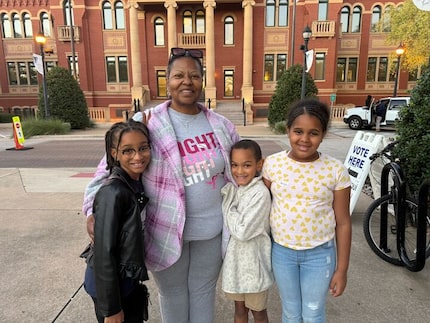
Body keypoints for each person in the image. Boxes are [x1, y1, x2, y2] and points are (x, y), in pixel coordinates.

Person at [82, 47, 240, 323]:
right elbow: (108, 168)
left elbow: (240, 170)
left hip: (212, 230)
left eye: (194, 75)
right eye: (178, 75)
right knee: (173, 293)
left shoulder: (222, 125)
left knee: (203, 291)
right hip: (164, 230)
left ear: (203, 80)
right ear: (167, 80)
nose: (186, 81)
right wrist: (90, 209)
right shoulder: (147, 122)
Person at [262, 98, 352, 323]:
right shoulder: (272, 165)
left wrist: (342, 270)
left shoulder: (335, 170)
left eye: (313, 133)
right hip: (282, 253)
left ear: (323, 134)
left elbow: (343, 223)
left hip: (320, 255)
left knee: (313, 312)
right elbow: (261, 208)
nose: (304, 139)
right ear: (288, 130)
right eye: (298, 131)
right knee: (291, 312)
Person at [82, 120, 151, 323]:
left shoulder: (134, 183)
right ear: (114, 154)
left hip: (125, 282)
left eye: (143, 148)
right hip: (110, 288)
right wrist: (111, 308)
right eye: (128, 151)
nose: (138, 156)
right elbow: (104, 252)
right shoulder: (113, 192)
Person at [221, 139, 273, 323]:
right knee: (240, 310)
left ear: (259, 164)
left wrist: (228, 208)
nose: (239, 171)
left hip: (254, 267)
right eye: (235, 165)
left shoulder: (260, 193)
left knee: (258, 312)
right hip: (236, 266)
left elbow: (242, 231)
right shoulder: (237, 189)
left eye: (247, 165)